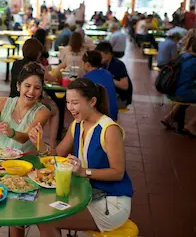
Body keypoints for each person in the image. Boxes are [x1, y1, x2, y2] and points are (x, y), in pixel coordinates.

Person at [28, 78, 132, 237]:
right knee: (42, 211)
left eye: (75, 103)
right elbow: (56, 155)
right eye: (68, 102)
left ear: (92, 101)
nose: (70, 108)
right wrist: (40, 143)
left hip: (111, 202)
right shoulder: (77, 124)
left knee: (47, 219)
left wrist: (83, 171)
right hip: (87, 195)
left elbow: (118, 172)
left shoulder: (109, 129)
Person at [0, 63, 51, 237]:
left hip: (23, 170)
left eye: (37, 88)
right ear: (18, 86)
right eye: (27, 85)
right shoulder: (2, 103)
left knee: (16, 218)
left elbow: (25, 137)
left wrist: (10, 132)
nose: (31, 91)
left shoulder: (42, 112)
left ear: (41, 91)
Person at [9, 38, 60, 147]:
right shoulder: (37, 67)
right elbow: (51, 78)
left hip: (13, 97)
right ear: (38, 53)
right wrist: (61, 66)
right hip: (28, 100)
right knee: (55, 110)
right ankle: (52, 143)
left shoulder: (15, 63)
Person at [161, 40, 196, 135]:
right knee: (187, 93)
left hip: (171, 91)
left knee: (187, 92)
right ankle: (191, 124)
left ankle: (168, 117)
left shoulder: (183, 56)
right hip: (181, 94)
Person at [95, 42, 133, 109]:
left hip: (121, 98)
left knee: (98, 107)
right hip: (111, 95)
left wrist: (108, 78)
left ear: (109, 54)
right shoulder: (103, 64)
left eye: (100, 55)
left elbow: (125, 86)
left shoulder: (118, 65)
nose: (99, 58)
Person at [82, 51, 119, 121]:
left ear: (87, 64)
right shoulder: (107, 73)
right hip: (113, 115)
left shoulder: (86, 78)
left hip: (101, 117)